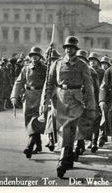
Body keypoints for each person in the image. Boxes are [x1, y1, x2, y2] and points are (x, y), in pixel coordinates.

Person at [40, 36, 96, 178]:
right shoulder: (57, 64)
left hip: (76, 99)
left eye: (72, 48)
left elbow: (88, 86)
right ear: (64, 49)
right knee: (67, 129)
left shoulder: (83, 65)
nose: (69, 50)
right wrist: (45, 102)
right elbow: (49, 83)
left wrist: (91, 105)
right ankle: (69, 155)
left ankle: (63, 159)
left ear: (76, 50)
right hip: (60, 98)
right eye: (67, 47)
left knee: (68, 127)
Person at [10, 47, 47, 159]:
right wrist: (14, 96)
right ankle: (38, 144)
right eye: (32, 55)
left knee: (34, 121)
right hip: (28, 96)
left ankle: (29, 146)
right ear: (30, 57)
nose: (34, 57)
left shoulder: (46, 68)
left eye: (36, 55)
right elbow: (19, 82)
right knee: (29, 121)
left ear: (40, 57)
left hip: (40, 96)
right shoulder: (26, 69)